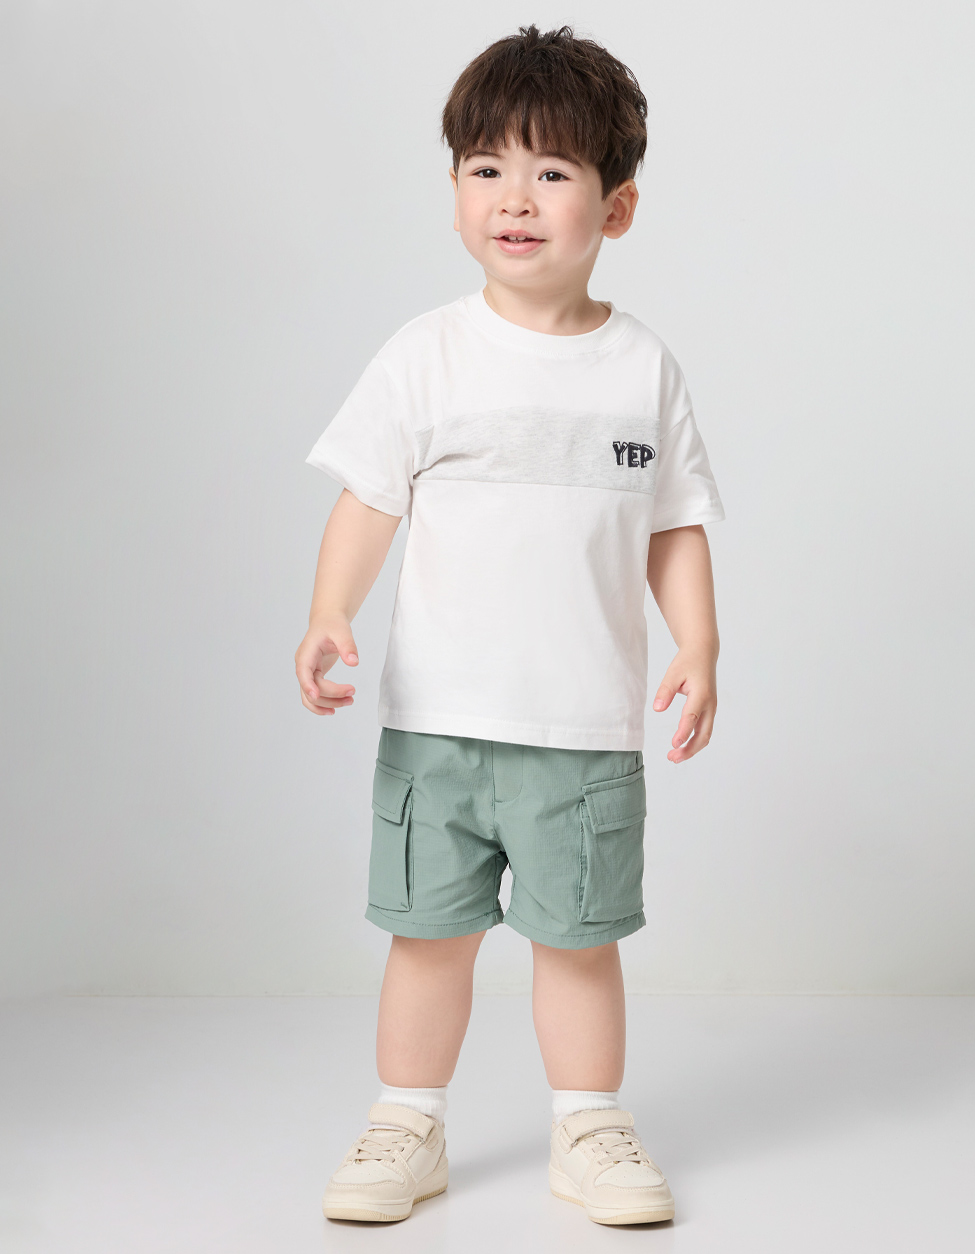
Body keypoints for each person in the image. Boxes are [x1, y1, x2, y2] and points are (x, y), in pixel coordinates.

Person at [295, 23, 724, 1227]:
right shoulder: (424, 357)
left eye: (551, 171)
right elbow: (368, 500)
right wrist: (329, 612)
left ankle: (589, 1127)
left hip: (581, 732)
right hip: (438, 723)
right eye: (486, 168)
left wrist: (698, 645)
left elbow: (674, 524)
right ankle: (406, 1125)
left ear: (616, 206)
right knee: (427, 939)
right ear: (454, 191)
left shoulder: (642, 370)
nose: (514, 198)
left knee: (578, 943)